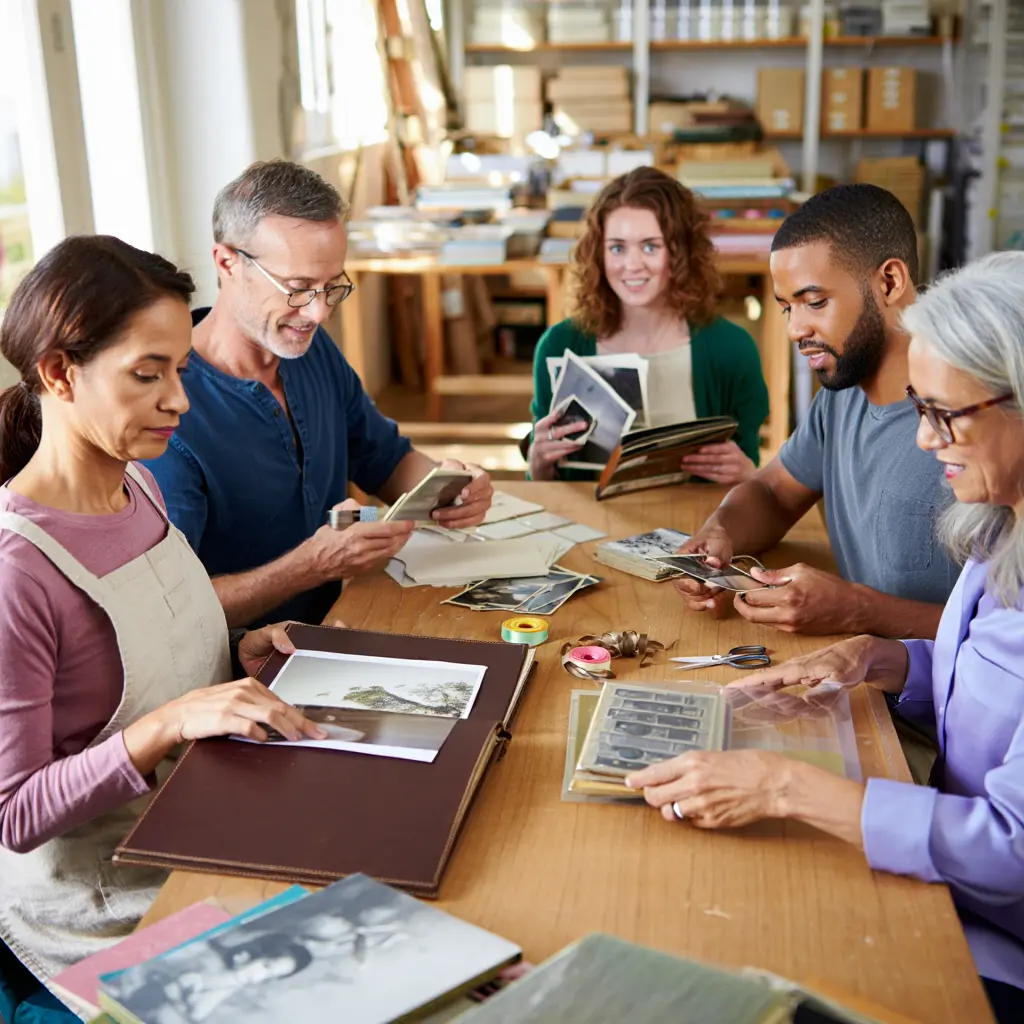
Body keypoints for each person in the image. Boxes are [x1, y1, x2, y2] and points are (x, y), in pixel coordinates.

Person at [626, 251, 1024, 1023]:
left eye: (945, 414)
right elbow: (996, 678)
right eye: (920, 409)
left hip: (992, 939)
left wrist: (782, 787)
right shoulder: (999, 523)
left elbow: (1011, 848)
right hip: (951, 885)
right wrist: (881, 659)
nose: (924, 440)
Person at [0, 236, 328, 996]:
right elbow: (14, 813)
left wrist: (240, 648)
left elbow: (142, 654)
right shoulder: (18, 571)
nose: (179, 399)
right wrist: (172, 722)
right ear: (59, 373)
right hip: (114, 901)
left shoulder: (139, 487)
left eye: (180, 369)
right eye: (148, 374)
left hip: (203, 823)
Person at [144, 160, 493, 630]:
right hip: (237, 664)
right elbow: (172, 613)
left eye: (333, 286)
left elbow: (385, 460)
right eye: (298, 288)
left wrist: (451, 488)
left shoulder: (308, 349)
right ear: (227, 263)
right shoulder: (165, 412)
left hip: (336, 627)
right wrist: (310, 566)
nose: (319, 312)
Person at [674, 184, 959, 638]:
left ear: (889, 282)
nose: (795, 329)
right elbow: (773, 492)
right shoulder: (840, 394)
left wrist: (859, 611)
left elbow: (1007, 631)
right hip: (856, 665)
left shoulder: (976, 419)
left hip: (943, 684)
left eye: (815, 302)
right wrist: (719, 533)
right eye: (786, 307)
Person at [527, 166, 769, 484]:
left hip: (693, 515)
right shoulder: (560, 345)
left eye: (650, 246)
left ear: (681, 251)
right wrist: (538, 464)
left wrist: (746, 472)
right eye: (617, 248)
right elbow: (545, 485)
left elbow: (749, 467)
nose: (632, 265)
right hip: (588, 514)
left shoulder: (732, 349)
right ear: (598, 255)